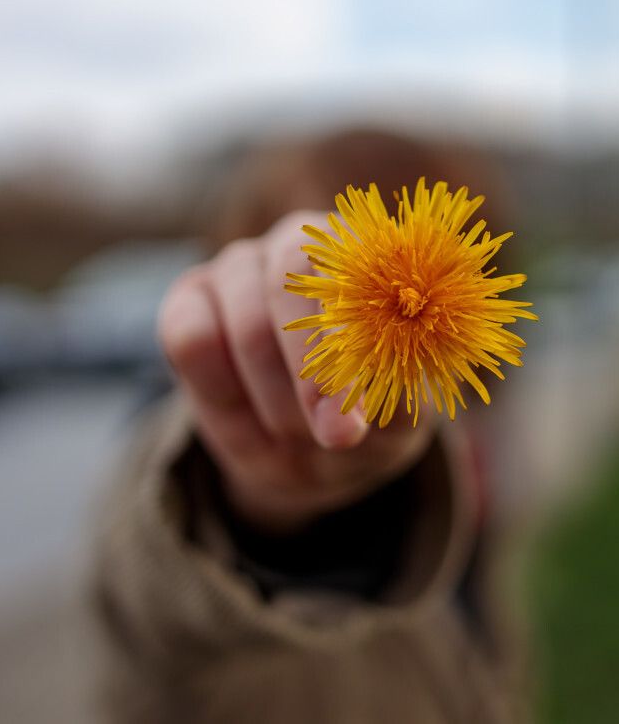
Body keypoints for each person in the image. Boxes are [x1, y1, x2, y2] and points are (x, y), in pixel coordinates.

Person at [88, 129, 529, 723]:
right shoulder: (187, 461)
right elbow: (149, 595)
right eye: (329, 261)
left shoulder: (469, 465)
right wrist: (256, 498)